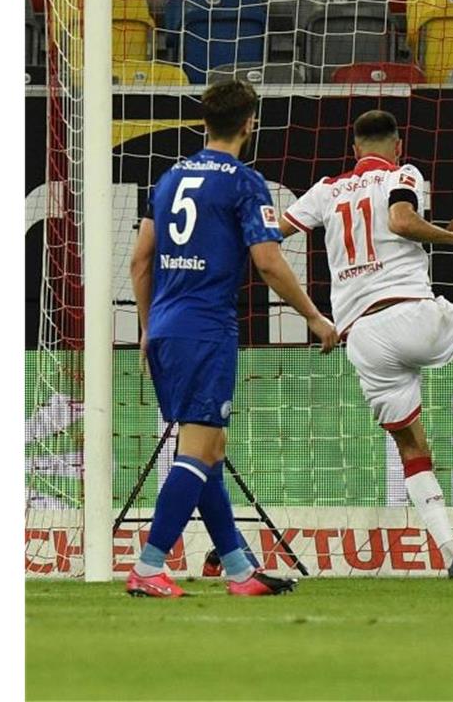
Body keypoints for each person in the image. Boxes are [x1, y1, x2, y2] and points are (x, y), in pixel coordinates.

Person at [279, 109, 453, 579]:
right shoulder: (403, 175)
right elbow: (403, 221)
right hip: (409, 310)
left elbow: (274, 232)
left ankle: (451, 554)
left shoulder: (327, 189)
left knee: (412, 448)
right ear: (398, 145)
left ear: (354, 149)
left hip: (361, 337)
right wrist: (452, 236)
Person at [128, 80, 338, 597]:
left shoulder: (170, 176)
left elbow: (139, 259)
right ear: (251, 123)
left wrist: (146, 329)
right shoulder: (244, 182)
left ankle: (240, 571)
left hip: (166, 328)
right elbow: (268, 261)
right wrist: (314, 316)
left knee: (210, 449)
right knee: (198, 450)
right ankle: (149, 566)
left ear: (204, 122)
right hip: (206, 330)